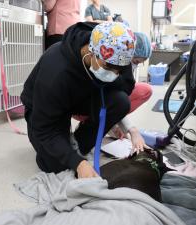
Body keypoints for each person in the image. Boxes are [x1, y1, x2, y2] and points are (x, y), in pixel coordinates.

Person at [21, 22, 135, 179]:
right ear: (91, 51)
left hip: (81, 96)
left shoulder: (119, 52)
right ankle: (66, 149)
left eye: (120, 69)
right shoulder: (56, 71)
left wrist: (131, 128)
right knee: (54, 165)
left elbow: (126, 84)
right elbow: (44, 129)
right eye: (109, 66)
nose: (115, 74)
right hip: (44, 108)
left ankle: (78, 141)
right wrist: (77, 163)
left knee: (120, 102)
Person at [73, 32, 152, 153]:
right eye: (135, 62)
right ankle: (90, 123)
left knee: (145, 90)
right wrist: (131, 129)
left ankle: (110, 121)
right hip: (86, 104)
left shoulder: (125, 75)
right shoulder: (108, 68)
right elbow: (114, 99)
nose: (135, 66)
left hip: (107, 101)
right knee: (120, 99)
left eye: (139, 63)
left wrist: (114, 123)